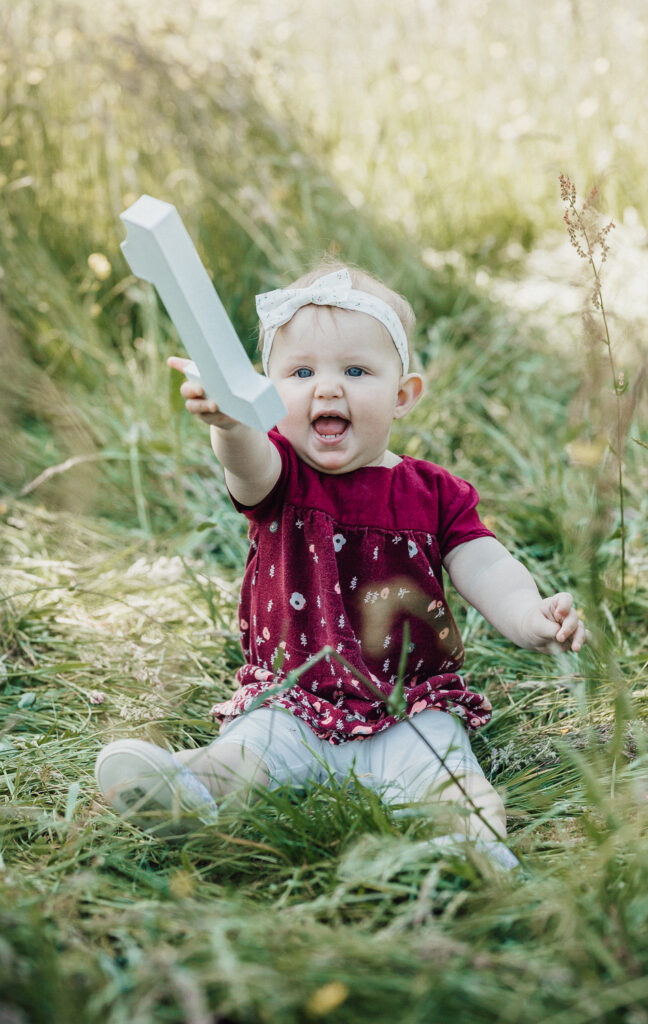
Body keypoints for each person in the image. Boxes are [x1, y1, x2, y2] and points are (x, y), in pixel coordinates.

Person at [95, 263, 586, 868]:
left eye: (355, 371)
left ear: (403, 394)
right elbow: (245, 465)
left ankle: (466, 851)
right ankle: (185, 796)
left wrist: (528, 615)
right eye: (301, 373)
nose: (327, 390)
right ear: (268, 395)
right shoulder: (281, 471)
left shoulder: (433, 493)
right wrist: (230, 423)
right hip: (293, 700)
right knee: (241, 756)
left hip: (412, 707)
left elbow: (484, 564)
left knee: (457, 787)